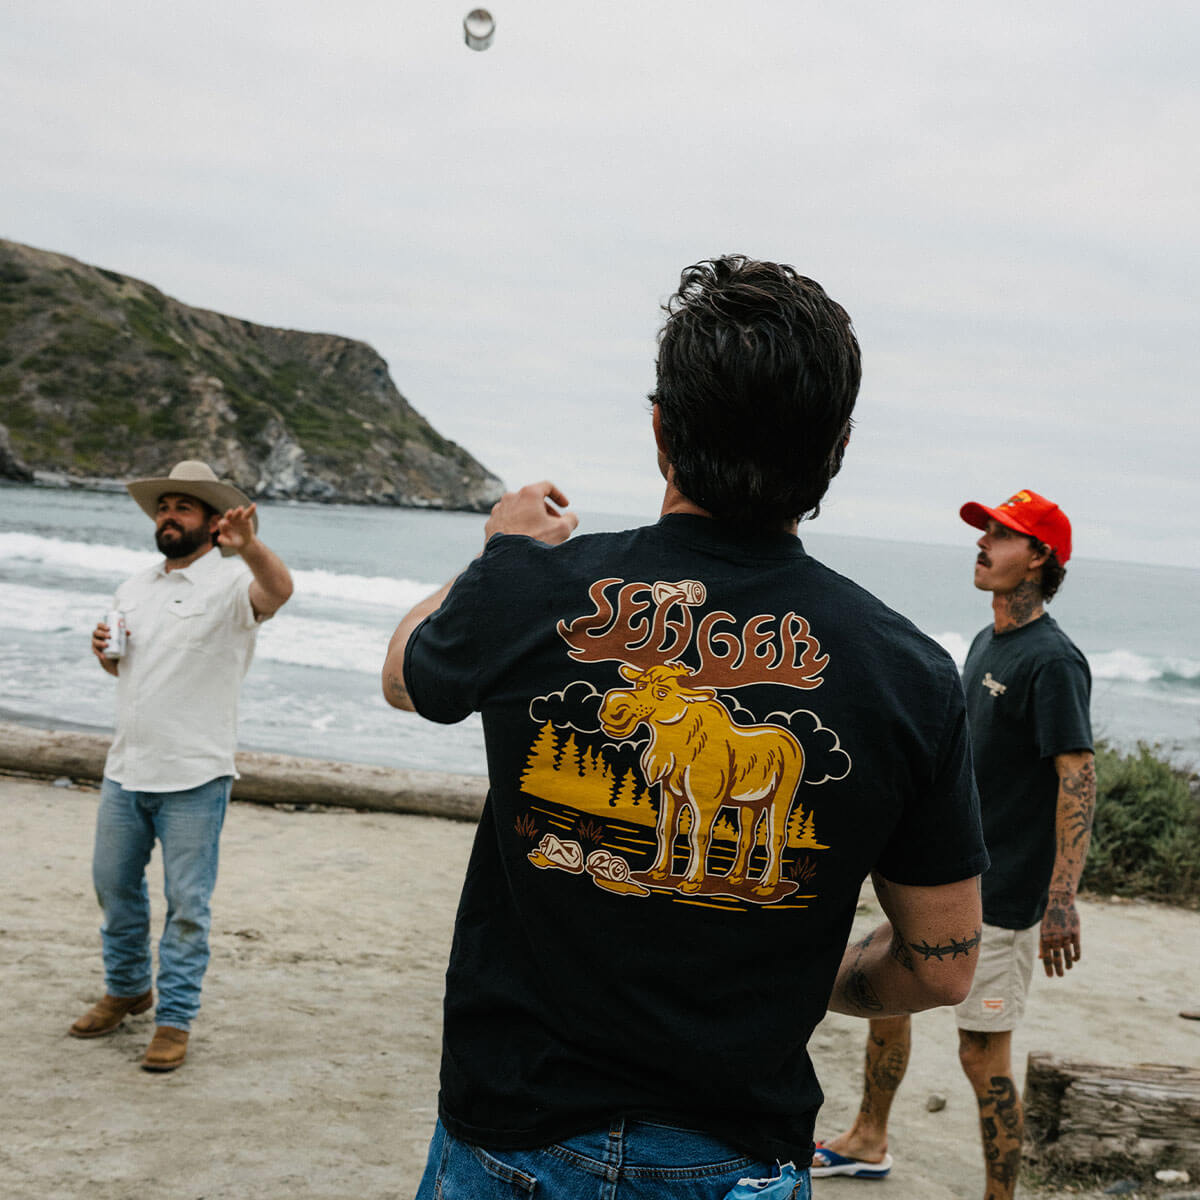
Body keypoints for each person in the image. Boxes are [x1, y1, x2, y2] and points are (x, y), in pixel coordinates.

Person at [383, 256, 988, 1199]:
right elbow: (944, 968)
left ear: (662, 429)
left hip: (514, 1135)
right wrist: (806, 977)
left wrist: (497, 555)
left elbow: (403, 673)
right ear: (836, 448)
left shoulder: (531, 588)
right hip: (734, 1156)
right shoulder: (908, 670)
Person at [813, 489, 1095, 1200]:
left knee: (981, 1056)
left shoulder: (1053, 660)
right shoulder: (987, 641)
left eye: (1001, 535)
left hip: (1003, 895)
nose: (982, 544)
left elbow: (1078, 776)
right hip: (945, 879)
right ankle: (868, 1140)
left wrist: (1061, 900)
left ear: (1039, 556)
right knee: (887, 1003)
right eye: (985, 532)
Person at [69, 460, 293, 1071]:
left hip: (195, 775)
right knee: (114, 891)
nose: (168, 516)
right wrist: (104, 654)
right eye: (163, 507)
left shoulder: (233, 582)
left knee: (187, 907)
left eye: (183, 507)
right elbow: (126, 665)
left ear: (213, 522)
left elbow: (278, 591)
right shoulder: (133, 587)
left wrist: (251, 548)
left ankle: (173, 1020)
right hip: (125, 769)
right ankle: (126, 990)